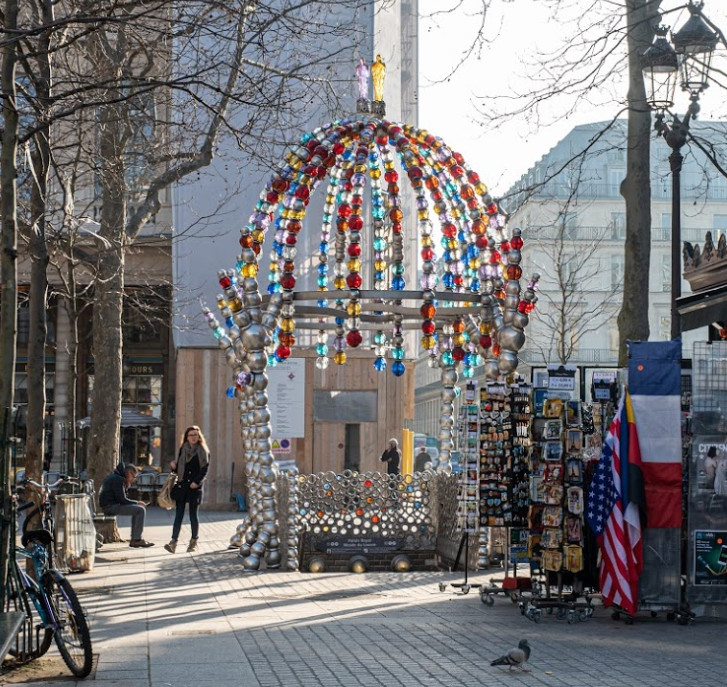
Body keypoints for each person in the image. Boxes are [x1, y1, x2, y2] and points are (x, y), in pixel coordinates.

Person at [164, 425, 210, 554]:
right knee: (178, 515)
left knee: (193, 515)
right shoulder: (183, 449)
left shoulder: (203, 451)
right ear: (186, 437)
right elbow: (180, 468)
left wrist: (196, 482)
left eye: (195, 435)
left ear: (199, 436)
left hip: (194, 487)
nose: (193, 437)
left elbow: (204, 469)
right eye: (190, 435)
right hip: (182, 486)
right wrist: (174, 467)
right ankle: (173, 542)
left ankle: (194, 542)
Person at [99, 462, 154, 548]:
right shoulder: (118, 479)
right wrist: (137, 502)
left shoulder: (117, 477)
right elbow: (122, 500)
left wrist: (125, 487)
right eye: (133, 477)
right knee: (140, 510)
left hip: (110, 505)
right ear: (129, 473)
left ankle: (135, 539)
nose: (133, 480)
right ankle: (136, 539)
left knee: (137, 510)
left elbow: (120, 498)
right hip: (110, 507)